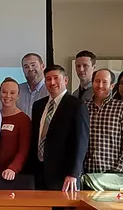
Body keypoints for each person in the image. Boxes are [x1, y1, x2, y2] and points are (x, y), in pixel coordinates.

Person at [29, 64, 89, 193]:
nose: (52, 82)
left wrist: (73, 174)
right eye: (48, 79)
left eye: (56, 78)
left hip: (64, 175)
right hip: (40, 171)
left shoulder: (77, 106)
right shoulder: (38, 106)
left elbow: (81, 142)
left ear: (65, 80)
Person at [84, 69, 123, 174]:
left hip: (111, 173)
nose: (100, 85)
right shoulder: (83, 107)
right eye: (97, 81)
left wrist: (117, 168)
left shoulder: (122, 108)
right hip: (85, 172)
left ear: (112, 86)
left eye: (104, 82)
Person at [0, 77, 31, 181]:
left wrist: (13, 168)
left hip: (12, 174)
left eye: (12, 92)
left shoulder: (23, 119)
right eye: (4, 92)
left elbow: (24, 150)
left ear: (18, 95)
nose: (8, 96)